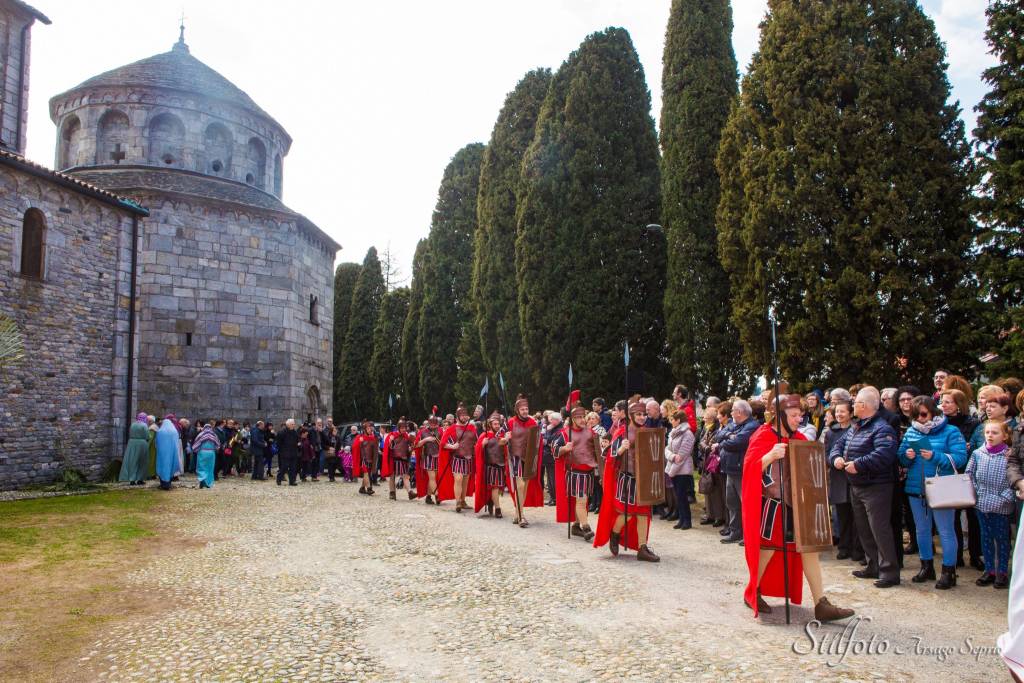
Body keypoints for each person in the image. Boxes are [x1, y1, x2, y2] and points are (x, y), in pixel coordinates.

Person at [742, 394, 854, 622]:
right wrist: (769, 456)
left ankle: (821, 604)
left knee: (808, 548)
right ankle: (753, 590)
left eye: (800, 415)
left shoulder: (800, 437)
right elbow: (749, 469)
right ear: (779, 416)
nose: (798, 419)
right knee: (769, 548)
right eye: (793, 416)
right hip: (773, 505)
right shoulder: (763, 435)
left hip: (798, 505)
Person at [830, 387, 900, 588]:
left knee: (879, 529)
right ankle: (873, 565)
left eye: (856, 403)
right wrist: (836, 458)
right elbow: (838, 444)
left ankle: (889, 571)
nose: (852, 406)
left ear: (864, 406)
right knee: (864, 528)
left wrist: (858, 464)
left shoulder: (882, 428)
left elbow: (885, 454)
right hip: (857, 485)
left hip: (876, 486)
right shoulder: (856, 427)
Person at [898, 395, 968, 589]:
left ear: (933, 411)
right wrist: (906, 456)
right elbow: (901, 458)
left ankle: (949, 571)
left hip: (941, 488)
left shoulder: (950, 431)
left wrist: (935, 456)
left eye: (923, 414)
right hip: (916, 487)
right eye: (915, 415)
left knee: (945, 531)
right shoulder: (912, 432)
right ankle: (926, 566)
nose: (920, 418)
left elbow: (961, 457)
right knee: (921, 530)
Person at [593, 402, 660, 562]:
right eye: (638, 414)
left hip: (643, 479)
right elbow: (609, 455)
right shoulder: (622, 432)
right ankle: (615, 534)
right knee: (627, 513)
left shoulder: (648, 432)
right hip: (627, 479)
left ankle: (642, 548)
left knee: (644, 513)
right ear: (631, 416)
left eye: (644, 414)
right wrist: (622, 448)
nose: (642, 417)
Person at [967, 420, 1015, 589]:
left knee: (1002, 539)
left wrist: (1005, 498)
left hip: (1002, 505)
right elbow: (969, 475)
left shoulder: (1009, 455)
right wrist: (976, 494)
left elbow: (1014, 479)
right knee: (986, 537)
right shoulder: (977, 454)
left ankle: (1002, 572)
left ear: (1005, 436)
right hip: (981, 504)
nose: (990, 436)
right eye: (988, 432)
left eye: (995, 433)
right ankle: (989, 570)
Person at [555, 405, 602, 541]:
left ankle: (576, 526)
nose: (582, 420)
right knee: (581, 500)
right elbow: (554, 449)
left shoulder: (591, 432)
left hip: (588, 471)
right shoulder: (565, 433)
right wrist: (564, 448)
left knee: (583, 500)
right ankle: (586, 527)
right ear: (572, 419)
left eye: (583, 417)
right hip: (574, 472)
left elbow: (597, 452)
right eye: (578, 417)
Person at [716, 400, 758, 544]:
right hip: (730, 469)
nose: (731, 413)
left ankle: (749, 535)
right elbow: (719, 435)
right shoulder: (734, 424)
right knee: (732, 503)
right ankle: (735, 532)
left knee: (746, 505)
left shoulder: (752, 426)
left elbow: (738, 443)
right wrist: (728, 436)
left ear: (739, 412)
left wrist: (726, 440)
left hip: (742, 471)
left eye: (733, 410)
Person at [824, 399, 862, 562]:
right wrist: (834, 461)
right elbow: (826, 454)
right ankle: (844, 546)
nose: (839, 415)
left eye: (842, 412)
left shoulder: (858, 429)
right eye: (836, 412)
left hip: (854, 476)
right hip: (838, 477)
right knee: (842, 514)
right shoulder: (831, 432)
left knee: (856, 516)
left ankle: (857, 549)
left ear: (850, 413)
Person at [500, 395, 545, 528]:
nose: (525, 411)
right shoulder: (510, 423)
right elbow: (500, 440)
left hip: (529, 457)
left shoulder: (532, 422)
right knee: (519, 486)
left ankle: (517, 513)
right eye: (523, 409)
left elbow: (538, 440)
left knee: (524, 487)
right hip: (516, 457)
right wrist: (505, 438)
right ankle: (521, 517)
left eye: (527, 409)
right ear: (517, 410)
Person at [440, 405, 478, 512]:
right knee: (458, 479)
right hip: (457, 458)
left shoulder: (472, 428)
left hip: (469, 458)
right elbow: (442, 444)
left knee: (465, 481)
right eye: (462, 415)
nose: (465, 417)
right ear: (458, 417)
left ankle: (463, 500)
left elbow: (477, 442)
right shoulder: (452, 428)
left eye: (466, 415)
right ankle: (457, 502)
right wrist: (452, 446)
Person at [473, 412, 508, 517]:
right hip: (490, 466)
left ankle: (491, 502)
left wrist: (507, 440)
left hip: (500, 466)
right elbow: (477, 450)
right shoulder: (485, 435)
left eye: (498, 424)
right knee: (495, 487)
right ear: (490, 425)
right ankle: (498, 509)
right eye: (495, 424)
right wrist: (482, 445)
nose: (497, 426)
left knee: (496, 488)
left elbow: (505, 449)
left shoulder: (502, 435)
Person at [665, 408, 695, 530]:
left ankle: (687, 520)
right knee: (678, 495)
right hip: (673, 467)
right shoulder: (673, 432)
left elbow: (682, 456)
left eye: (672, 419)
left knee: (682, 495)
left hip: (682, 470)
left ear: (678, 420)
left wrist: (671, 472)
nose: (671, 421)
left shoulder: (688, 434)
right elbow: (666, 449)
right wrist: (671, 456)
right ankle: (681, 519)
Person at [698, 406, 726, 527]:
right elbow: (702, 443)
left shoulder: (716, 429)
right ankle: (710, 514)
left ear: (711, 418)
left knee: (716, 491)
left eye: (706, 418)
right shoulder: (707, 428)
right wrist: (706, 447)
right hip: (706, 462)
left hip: (714, 464)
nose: (704, 420)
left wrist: (706, 446)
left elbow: (710, 445)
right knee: (708, 489)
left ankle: (719, 516)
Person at [382, 419, 416, 500]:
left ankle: (410, 492)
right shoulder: (392, 435)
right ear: (399, 428)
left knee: (405, 476)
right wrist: (391, 440)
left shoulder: (407, 436)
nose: (404, 429)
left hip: (403, 459)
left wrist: (411, 448)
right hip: (393, 459)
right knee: (392, 476)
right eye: (402, 427)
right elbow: (389, 447)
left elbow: (408, 448)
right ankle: (392, 493)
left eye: (405, 427)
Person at [415, 415, 445, 504]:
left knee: (434, 478)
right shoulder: (423, 432)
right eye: (431, 424)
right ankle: (437, 495)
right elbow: (416, 445)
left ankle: (428, 497)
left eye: (435, 424)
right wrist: (426, 439)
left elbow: (443, 444)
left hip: (438, 457)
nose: (433, 426)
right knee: (432, 478)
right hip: (428, 457)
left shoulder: (440, 431)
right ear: (428, 423)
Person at [119, 414, 150, 485]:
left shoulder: (133, 424)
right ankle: (140, 479)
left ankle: (132, 479)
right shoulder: (144, 425)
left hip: (132, 443)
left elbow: (130, 433)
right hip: (142, 444)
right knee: (142, 462)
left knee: (133, 461)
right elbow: (147, 436)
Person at [351, 420, 380, 495]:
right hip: (363, 459)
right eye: (368, 428)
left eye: (371, 428)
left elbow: (375, 447)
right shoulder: (360, 437)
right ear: (365, 429)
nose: (370, 430)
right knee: (366, 473)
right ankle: (369, 488)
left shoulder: (373, 437)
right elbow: (354, 447)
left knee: (367, 473)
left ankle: (362, 488)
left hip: (370, 459)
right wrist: (360, 443)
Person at [154, 415, 180, 490]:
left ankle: (163, 484)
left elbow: (157, 443)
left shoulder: (160, 431)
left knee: (163, 466)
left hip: (162, 453)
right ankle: (168, 483)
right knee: (170, 467)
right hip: (172, 453)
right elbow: (176, 442)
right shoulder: (174, 431)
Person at [542, 413, 562, 506]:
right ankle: (552, 497)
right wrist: (547, 440)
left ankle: (555, 499)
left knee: (553, 479)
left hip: (553, 457)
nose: (550, 422)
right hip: (547, 457)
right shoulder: (551, 428)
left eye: (551, 420)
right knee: (549, 480)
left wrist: (548, 435)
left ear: (557, 420)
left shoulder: (559, 429)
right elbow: (544, 440)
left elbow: (552, 442)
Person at [192, 422, 220, 489]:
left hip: (202, 452)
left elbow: (196, 444)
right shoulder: (214, 435)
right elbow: (218, 445)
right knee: (210, 468)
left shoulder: (201, 434)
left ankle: (202, 480)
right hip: (211, 453)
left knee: (201, 466)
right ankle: (208, 483)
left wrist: (196, 450)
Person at [275, 419, 300, 486]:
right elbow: (278, 443)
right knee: (284, 467)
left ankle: (292, 481)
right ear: (288, 425)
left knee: (293, 468)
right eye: (292, 424)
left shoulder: (294, 432)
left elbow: (297, 440)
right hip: (285, 453)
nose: (294, 425)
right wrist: (282, 451)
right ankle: (279, 479)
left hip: (293, 452)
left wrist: (298, 444)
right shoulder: (282, 432)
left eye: (294, 424)